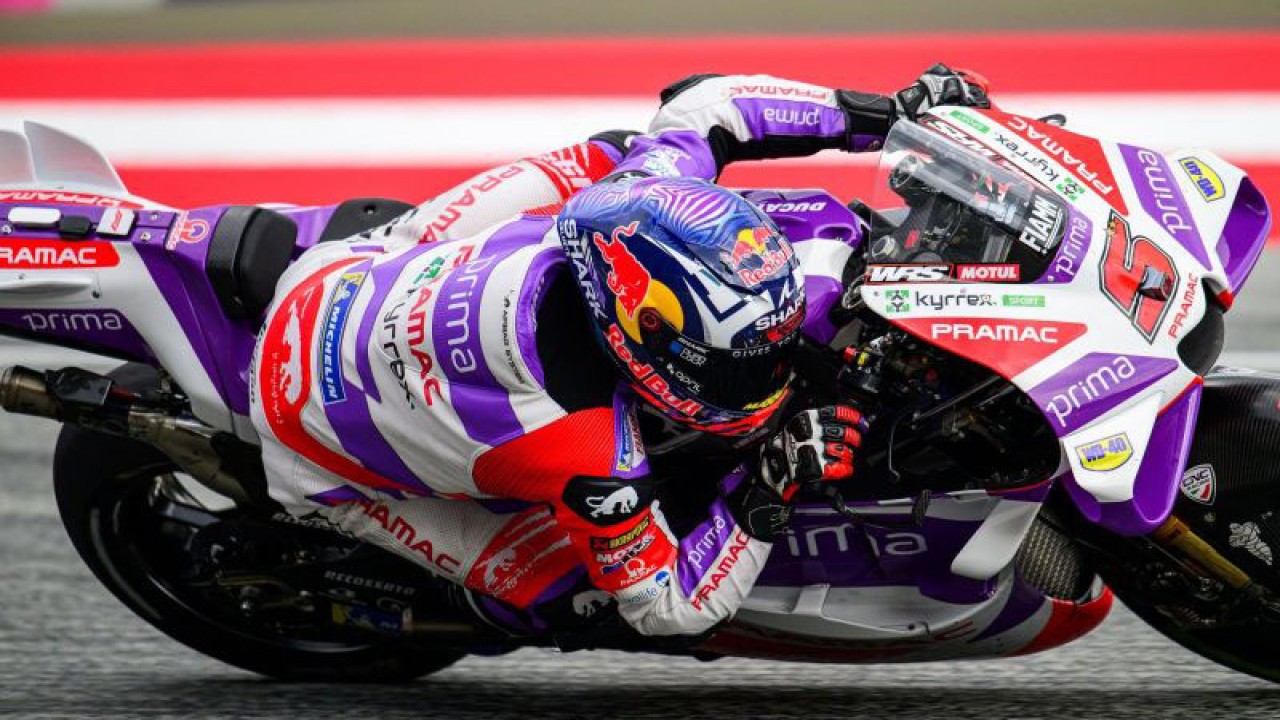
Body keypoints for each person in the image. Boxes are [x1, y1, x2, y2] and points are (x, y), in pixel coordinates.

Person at [249, 65, 991, 637]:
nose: (775, 370)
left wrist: (888, 114)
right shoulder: (590, 452)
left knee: (610, 155)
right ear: (642, 347)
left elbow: (707, 104)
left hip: (341, 278)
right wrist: (769, 484)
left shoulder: (637, 201)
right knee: (562, 594)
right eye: (744, 362)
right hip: (305, 443)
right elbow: (668, 607)